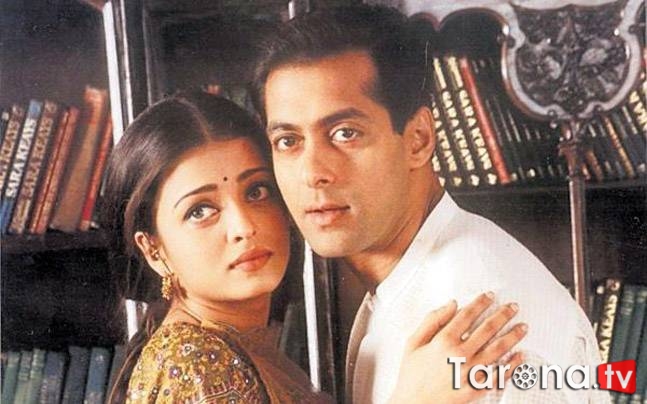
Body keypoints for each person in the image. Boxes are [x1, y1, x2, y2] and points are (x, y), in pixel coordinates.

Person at [251, 5, 609, 404]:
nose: (312, 173)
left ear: (419, 139)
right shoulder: (405, 285)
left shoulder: (478, 324)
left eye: (345, 133)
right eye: (288, 141)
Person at [101, 92, 525, 403]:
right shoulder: (195, 362)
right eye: (201, 210)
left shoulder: (243, 344)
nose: (244, 226)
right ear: (153, 250)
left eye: (257, 191)